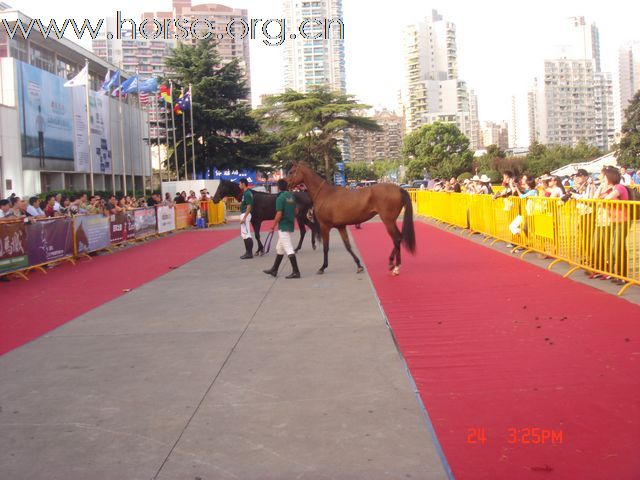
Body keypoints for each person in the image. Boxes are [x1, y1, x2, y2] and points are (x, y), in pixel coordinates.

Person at [263, 179, 301, 279]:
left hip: (283, 225)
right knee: (279, 248)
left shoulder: (280, 198)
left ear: (279, 187)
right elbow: (296, 211)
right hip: (289, 224)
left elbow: (279, 213)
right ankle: (274, 269)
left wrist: (272, 225)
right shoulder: (291, 196)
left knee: (288, 249)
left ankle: (296, 272)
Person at [239, 178, 254, 259]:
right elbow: (244, 204)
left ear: (243, 184)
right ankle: (248, 252)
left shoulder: (247, 193)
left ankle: (249, 253)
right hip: (244, 214)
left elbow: (249, 206)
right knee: (244, 234)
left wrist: (244, 217)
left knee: (247, 234)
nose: (239, 185)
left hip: (245, 214)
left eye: (240, 184)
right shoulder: (246, 193)